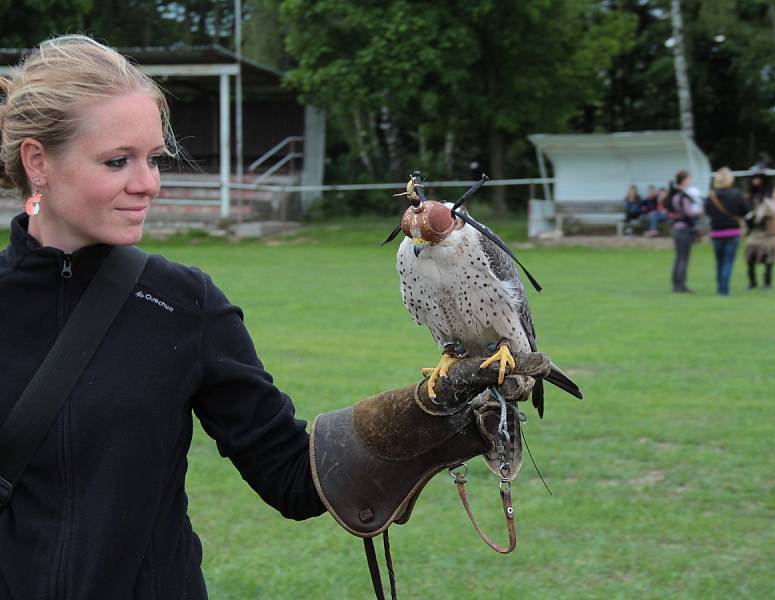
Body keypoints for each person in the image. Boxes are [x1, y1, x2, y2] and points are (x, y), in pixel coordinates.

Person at [0, 36, 528, 598]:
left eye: (153, 159)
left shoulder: (185, 304)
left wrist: (425, 420)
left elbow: (291, 480)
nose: (148, 182)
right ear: (38, 161)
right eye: (117, 161)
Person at [704, 167, 749, 295]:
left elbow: (707, 212)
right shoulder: (736, 194)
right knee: (728, 262)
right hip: (732, 232)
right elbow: (745, 211)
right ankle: (724, 289)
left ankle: (720, 287)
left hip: (716, 233)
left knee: (719, 262)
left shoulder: (711, 196)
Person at [743, 168, 775, 289]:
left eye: (758, 177)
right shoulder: (751, 194)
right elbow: (746, 209)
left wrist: (765, 205)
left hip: (770, 231)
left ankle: (767, 283)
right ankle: (752, 282)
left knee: (769, 258)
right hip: (755, 230)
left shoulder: (774, 192)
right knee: (750, 257)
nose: (755, 180)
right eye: (754, 178)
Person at [666, 170, 703, 293]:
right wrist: (700, 212)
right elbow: (688, 213)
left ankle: (676, 283)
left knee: (678, 257)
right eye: (688, 179)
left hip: (676, 228)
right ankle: (680, 285)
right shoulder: (683, 197)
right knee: (683, 258)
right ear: (684, 180)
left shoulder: (674, 195)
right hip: (684, 229)